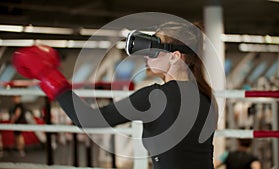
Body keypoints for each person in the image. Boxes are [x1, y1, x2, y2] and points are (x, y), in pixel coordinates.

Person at [11, 21, 218, 169]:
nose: (146, 54)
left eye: (155, 49)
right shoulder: (206, 97)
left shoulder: (154, 97)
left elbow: (89, 120)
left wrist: (52, 80)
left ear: (175, 57)